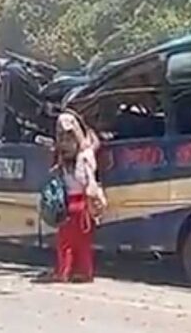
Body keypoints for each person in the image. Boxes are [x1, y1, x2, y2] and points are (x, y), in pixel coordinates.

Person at [51, 109, 106, 283]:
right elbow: (94, 142)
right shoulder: (85, 156)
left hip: (71, 206)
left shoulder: (65, 160)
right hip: (84, 208)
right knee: (83, 244)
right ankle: (84, 272)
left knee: (65, 243)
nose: (65, 143)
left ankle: (64, 272)